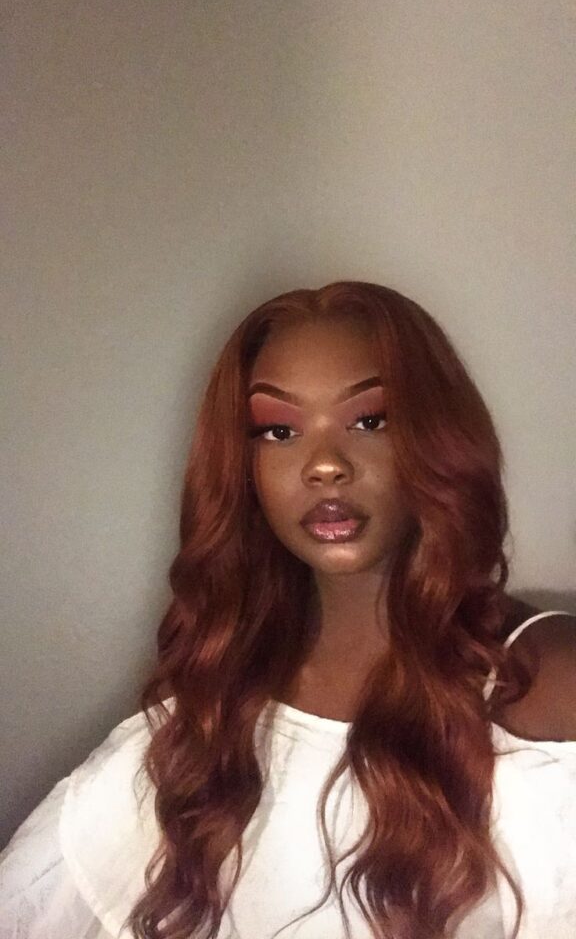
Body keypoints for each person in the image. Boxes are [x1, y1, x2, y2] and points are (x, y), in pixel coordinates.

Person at [1, 280, 575, 939]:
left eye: (370, 420)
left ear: (439, 435)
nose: (324, 465)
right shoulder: (209, 716)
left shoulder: (547, 687)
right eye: (279, 430)